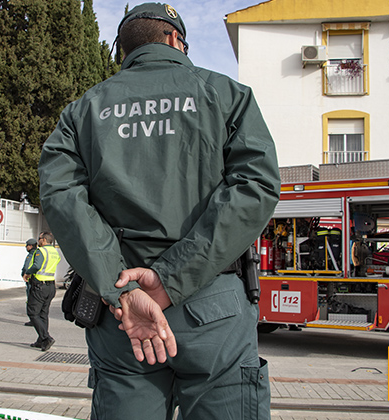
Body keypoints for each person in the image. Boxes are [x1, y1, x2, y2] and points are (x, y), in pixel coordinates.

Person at [38, 3, 280, 419]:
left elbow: (60, 197)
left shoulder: (83, 110)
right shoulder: (226, 94)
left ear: (124, 51)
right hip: (212, 305)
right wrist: (169, 281)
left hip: (121, 312)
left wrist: (123, 292)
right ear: (173, 39)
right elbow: (255, 186)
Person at [23, 232, 60, 352]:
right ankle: (41, 340)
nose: (38, 241)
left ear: (44, 240)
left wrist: (28, 272)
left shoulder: (41, 251)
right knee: (43, 314)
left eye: (39, 239)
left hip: (40, 285)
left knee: (33, 313)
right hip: (50, 286)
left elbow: (37, 265)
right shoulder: (55, 252)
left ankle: (46, 338)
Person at [22, 238, 37, 327]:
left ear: (30, 246)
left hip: (31, 280)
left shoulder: (32, 255)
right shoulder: (35, 254)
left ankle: (33, 319)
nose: (26, 247)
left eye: (27, 245)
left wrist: (26, 274)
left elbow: (27, 267)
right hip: (33, 281)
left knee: (31, 300)